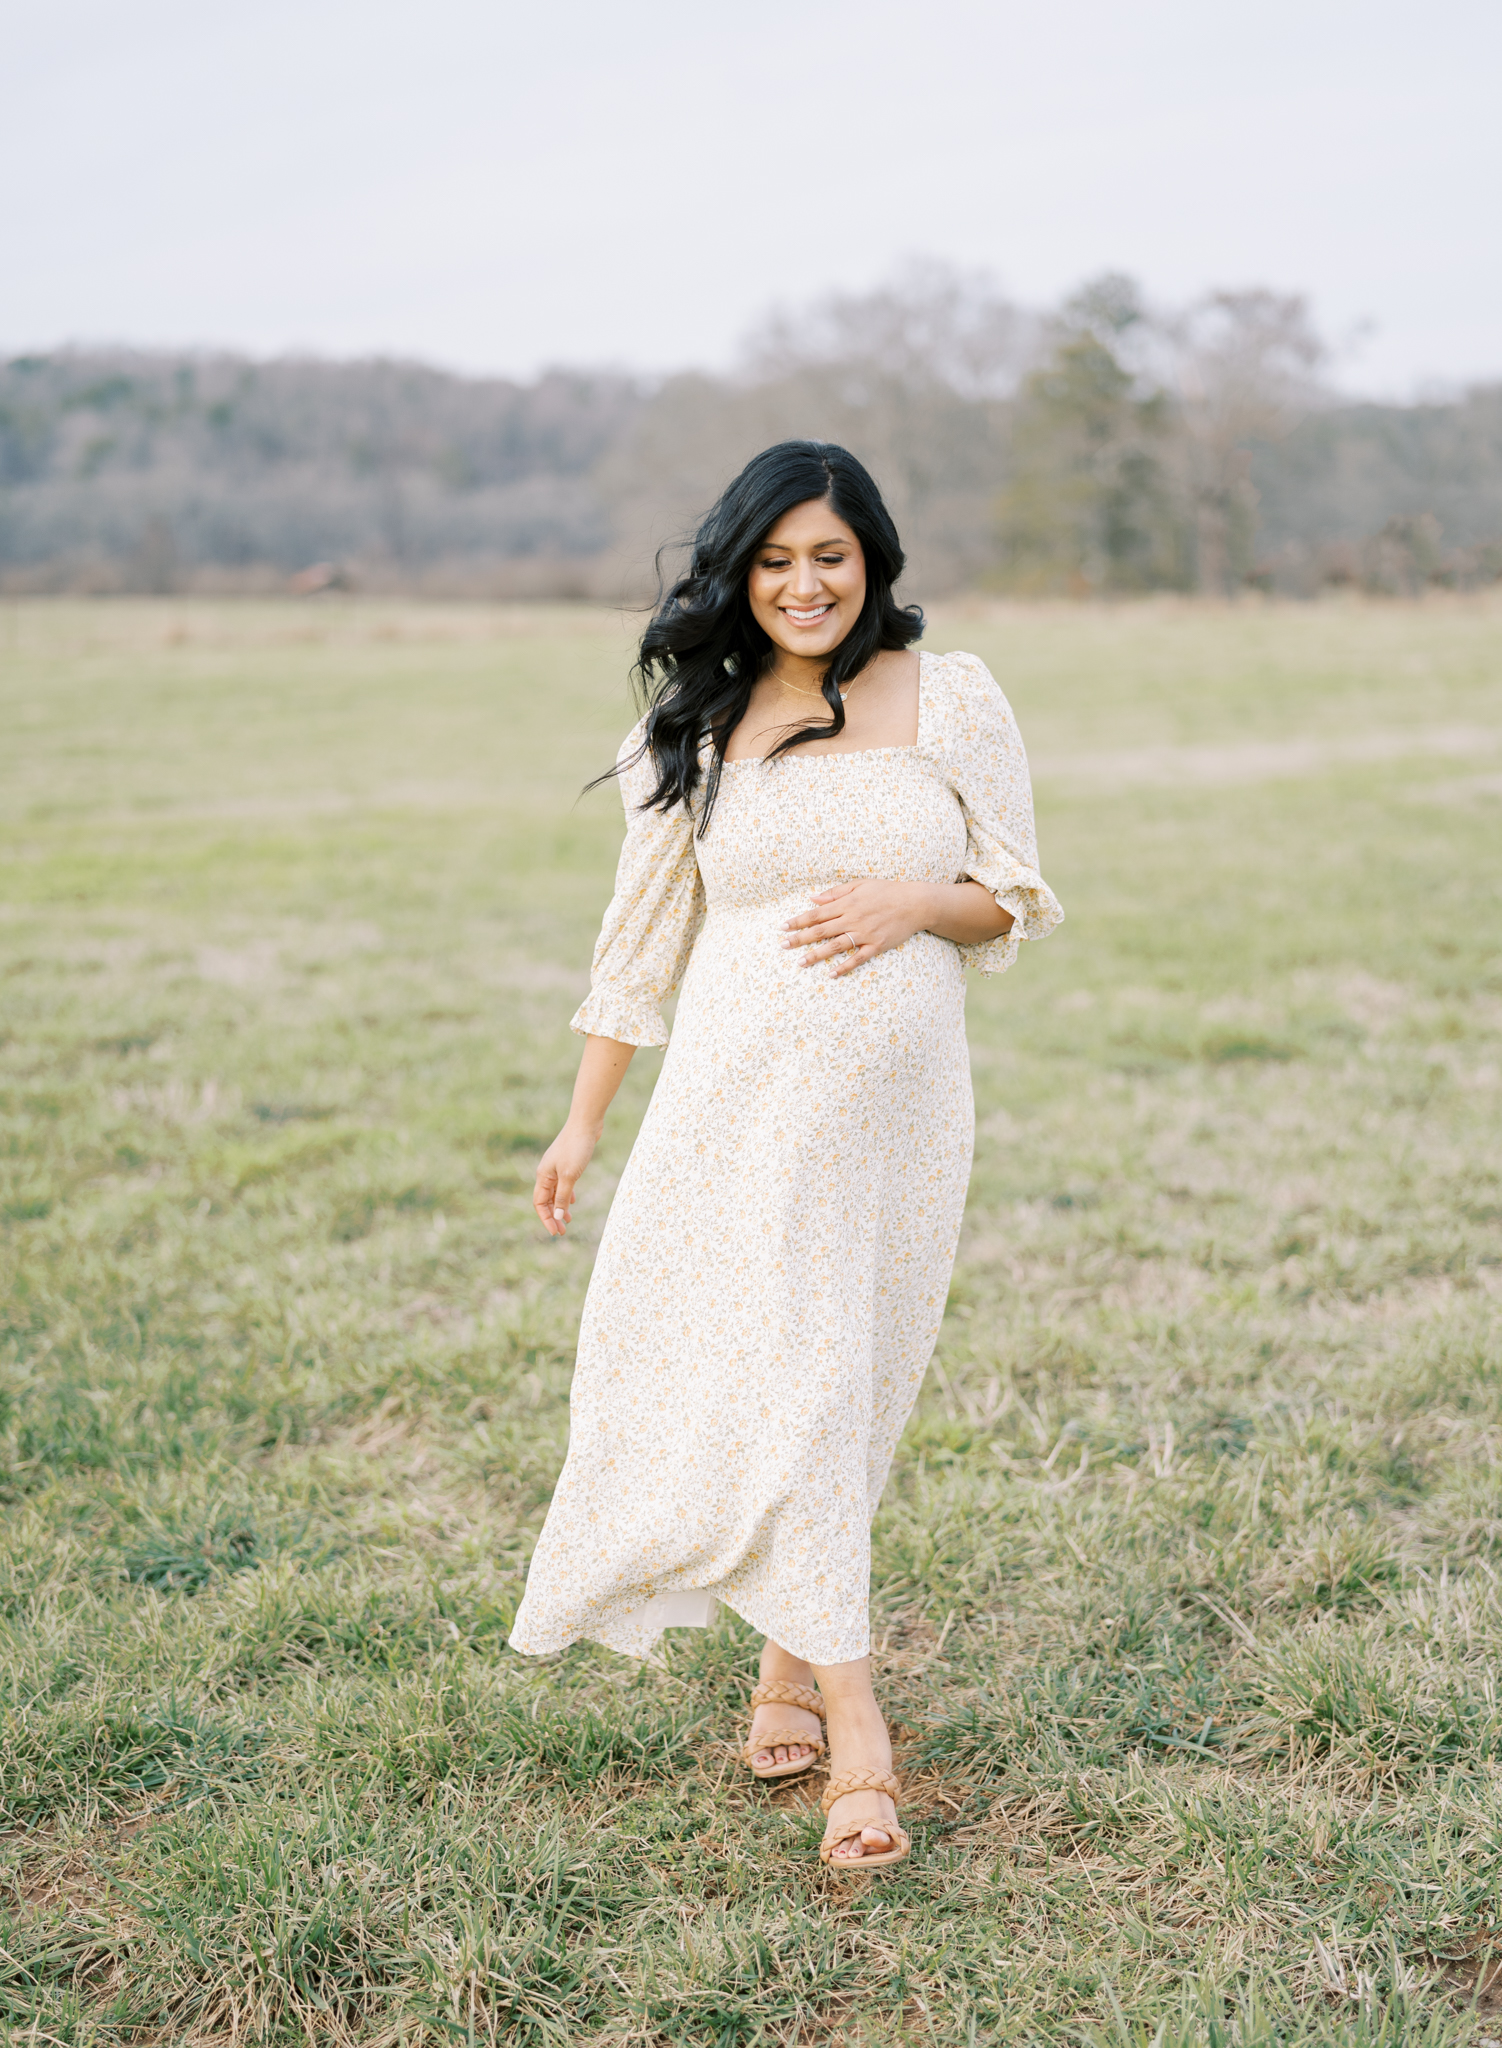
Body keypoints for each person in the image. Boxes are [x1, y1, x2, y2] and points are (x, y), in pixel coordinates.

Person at [509, 440, 1062, 1871]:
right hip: (732, 1108)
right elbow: (636, 950)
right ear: (736, 575)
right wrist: (581, 1123)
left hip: (894, 1116)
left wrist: (909, 902)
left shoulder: (953, 695)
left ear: (871, 558)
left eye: (827, 555)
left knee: (850, 1380)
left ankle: (781, 1666)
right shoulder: (690, 727)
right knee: (792, 1379)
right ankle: (859, 1736)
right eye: (772, 561)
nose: (802, 584)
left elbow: (1011, 896)